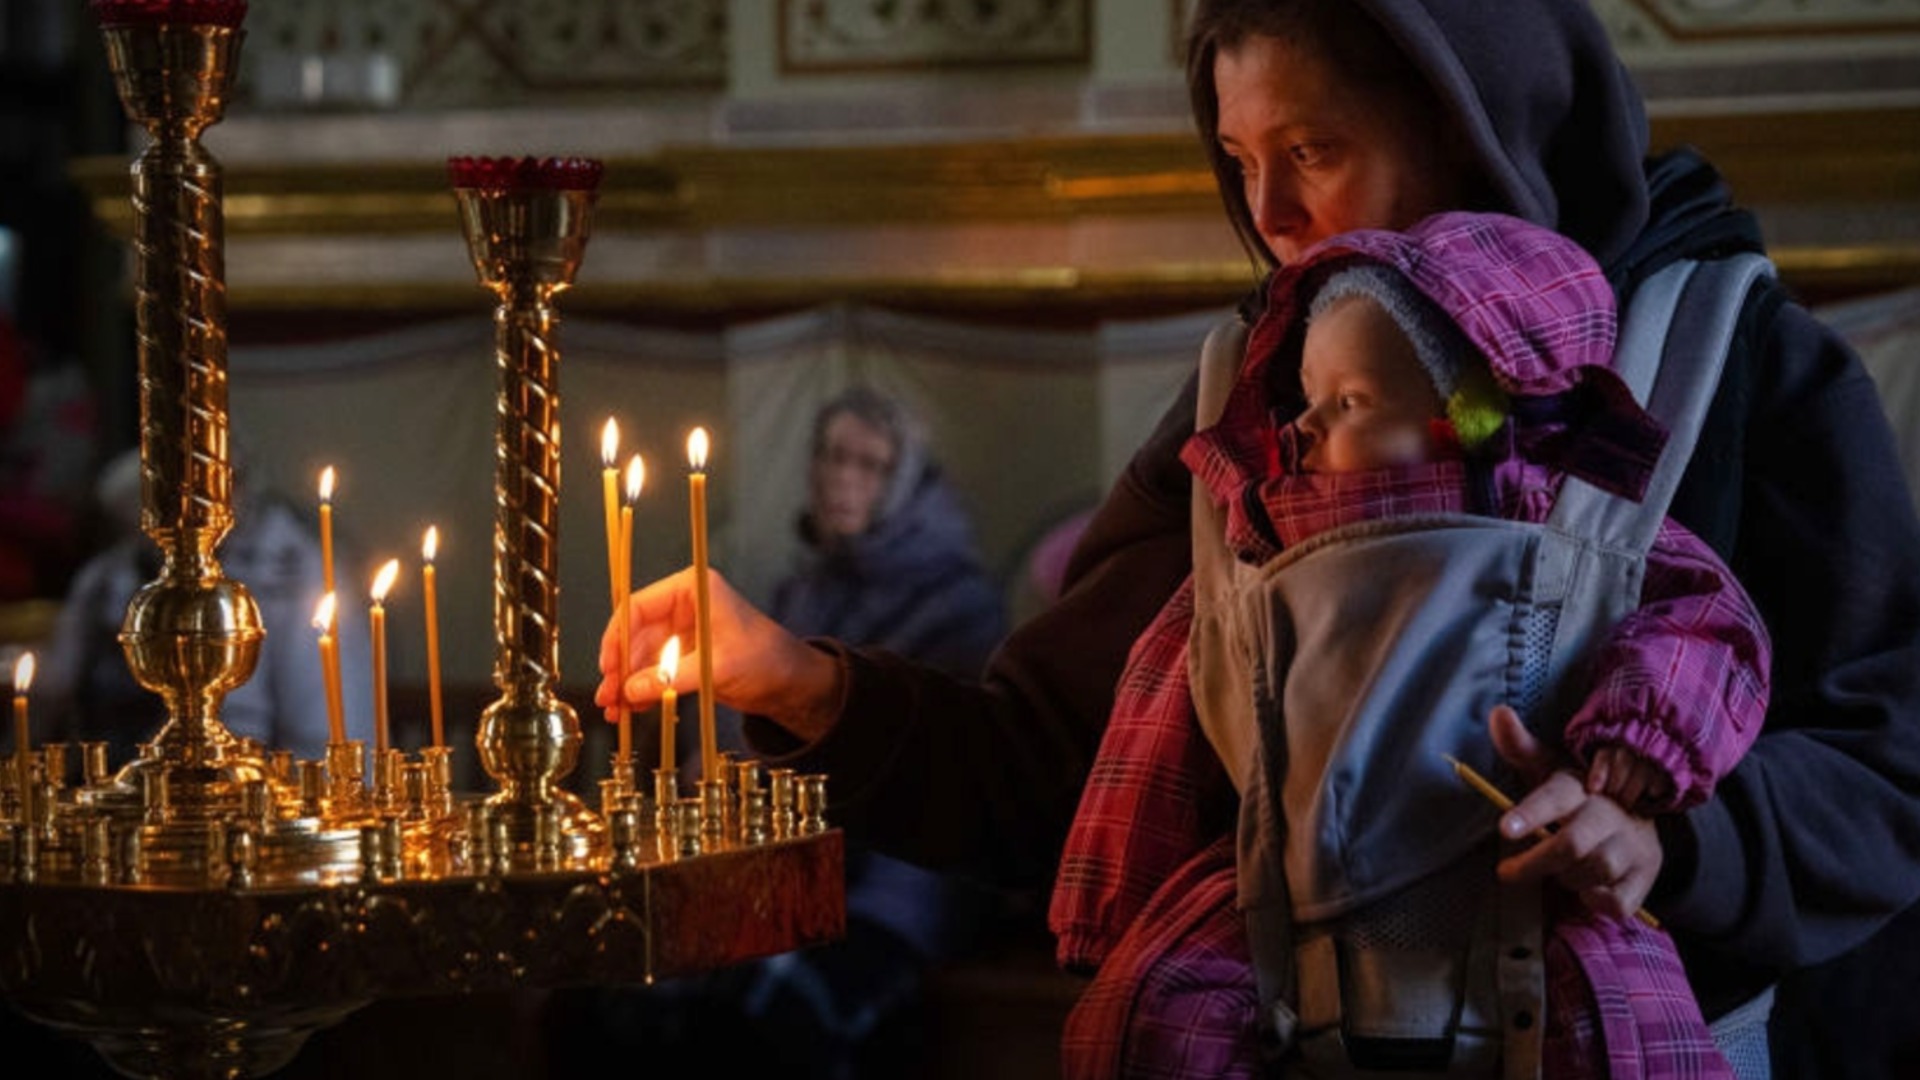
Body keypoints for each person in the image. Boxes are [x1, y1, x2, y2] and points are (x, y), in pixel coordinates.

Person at [595, 3, 1920, 1075]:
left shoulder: (1730, 367)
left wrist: (1674, 838)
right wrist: (794, 678)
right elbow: (1046, 767)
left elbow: (1889, 769)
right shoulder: (1253, 394)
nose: (1272, 215)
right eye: (1240, 160)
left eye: (1315, 148)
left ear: (1474, 133)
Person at [1050, 209, 1770, 1076]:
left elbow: (1706, 624)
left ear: (1459, 420)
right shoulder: (1255, 554)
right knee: (1146, 1021)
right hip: (1286, 901)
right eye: (1305, 398)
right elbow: (1163, 704)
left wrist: (1635, 749)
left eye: (1347, 401)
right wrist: (1114, 894)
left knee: (1634, 1038)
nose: (1303, 426)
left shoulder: (1576, 536)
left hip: (1531, 898)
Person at [552, 385, 1012, 1077]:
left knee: (771, 1012)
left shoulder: (960, 605)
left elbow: (943, 764)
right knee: (625, 992)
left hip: (898, 878)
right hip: (784, 864)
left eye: (868, 463)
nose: (842, 477)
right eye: (831, 457)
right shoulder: (806, 588)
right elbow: (744, 712)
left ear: (906, 481)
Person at [37, 447, 366, 765]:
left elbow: (308, 728)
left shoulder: (288, 569)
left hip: (265, 787)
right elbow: (56, 687)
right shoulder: (109, 575)